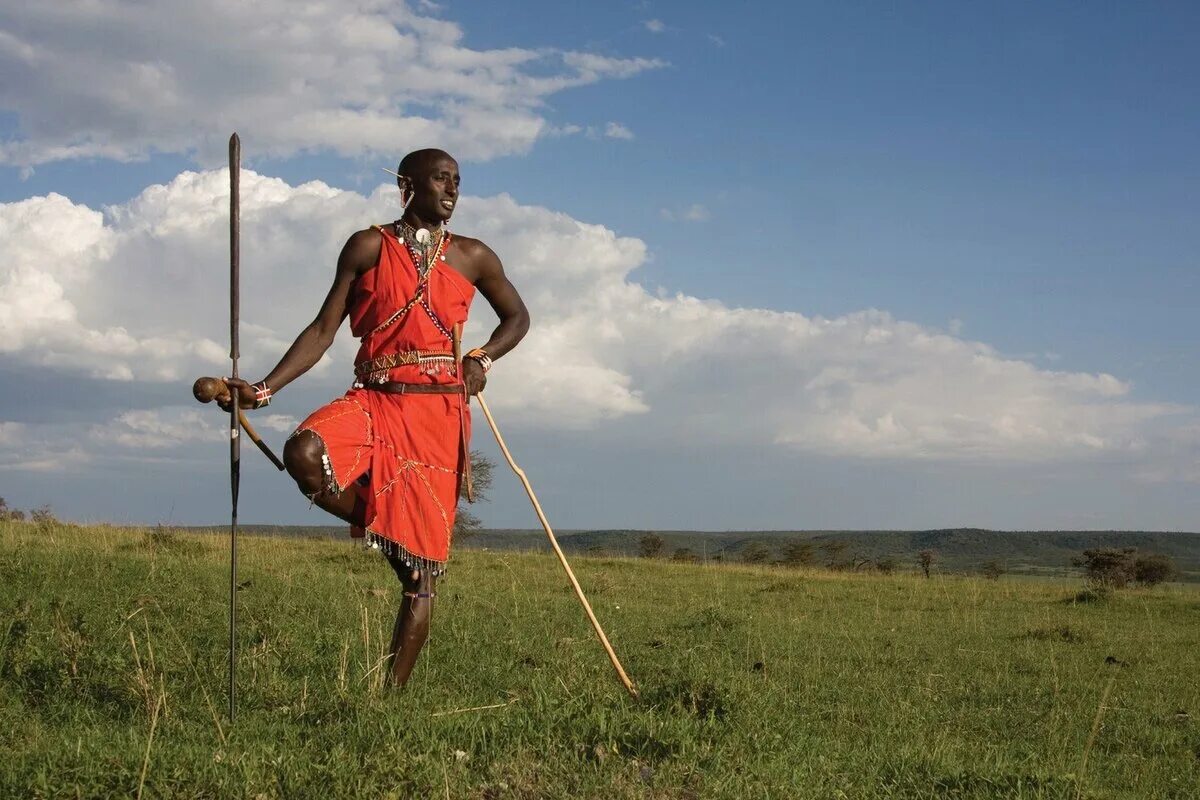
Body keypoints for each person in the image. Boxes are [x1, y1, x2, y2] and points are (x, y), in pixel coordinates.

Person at [219, 148, 529, 686]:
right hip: (375, 399)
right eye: (440, 179)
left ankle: (391, 701)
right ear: (407, 185)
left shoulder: (474, 255)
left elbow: (518, 317)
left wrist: (481, 357)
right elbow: (323, 330)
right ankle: (393, 533)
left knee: (422, 577)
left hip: (437, 416)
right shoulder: (368, 246)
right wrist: (263, 390)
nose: (452, 189)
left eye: (457, 180)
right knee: (304, 453)